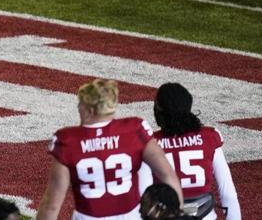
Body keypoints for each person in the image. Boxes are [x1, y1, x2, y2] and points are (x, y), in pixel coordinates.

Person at [36, 79, 182, 220]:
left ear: (89, 109)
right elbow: (168, 176)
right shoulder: (134, 130)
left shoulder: (67, 140)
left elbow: (51, 205)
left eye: (80, 104)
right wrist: (179, 214)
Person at [139, 83, 241, 220]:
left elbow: (142, 194)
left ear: (159, 109)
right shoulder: (209, 137)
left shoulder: (150, 143)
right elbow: (228, 193)